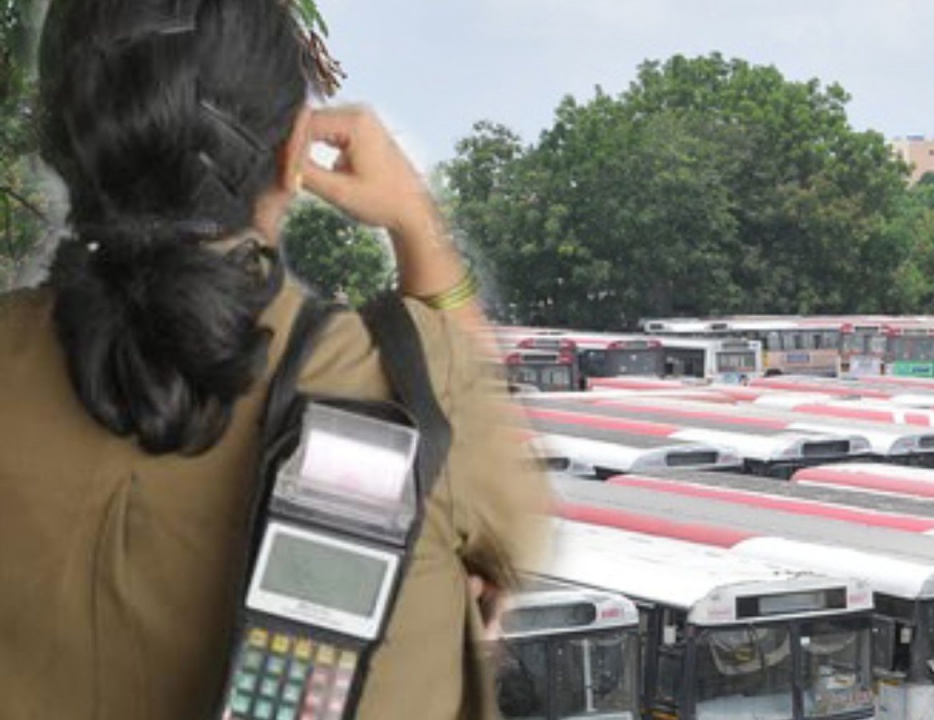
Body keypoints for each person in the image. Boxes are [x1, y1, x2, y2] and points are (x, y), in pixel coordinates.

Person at [0, 0, 547, 718]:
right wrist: (417, 225)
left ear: (58, 144)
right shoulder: (411, 388)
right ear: (294, 154)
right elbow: (515, 537)